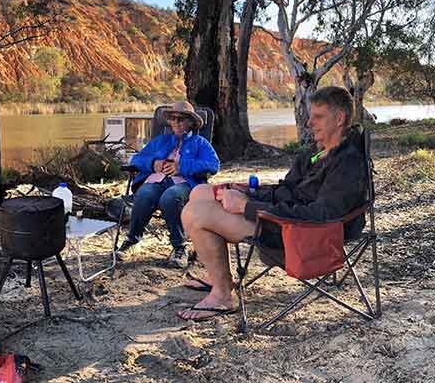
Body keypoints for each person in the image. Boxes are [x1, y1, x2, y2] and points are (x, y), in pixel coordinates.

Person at [178, 86, 368, 321]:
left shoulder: (348, 162)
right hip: (286, 219)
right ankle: (220, 278)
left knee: (195, 214)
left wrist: (248, 207)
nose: (309, 123)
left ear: (339, 119)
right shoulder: (317, 152)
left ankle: (223, 295)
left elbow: (322, 215)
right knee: (201, 192)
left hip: (304, 234)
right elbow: (286, 189)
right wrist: (250, 191)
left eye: (318, 117)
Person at [121, 100, 220, 268]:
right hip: (156, 180)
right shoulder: (161, 141)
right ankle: (133, 241)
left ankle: (179, 247)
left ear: (191, 122)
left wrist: (182, 167)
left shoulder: (200, 143)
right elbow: (137, 159)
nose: (176, 122)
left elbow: (213, 165)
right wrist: (153, 163)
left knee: (170, 196)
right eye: (173, 119)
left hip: (184, 184)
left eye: (181, 119)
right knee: (144, 194)